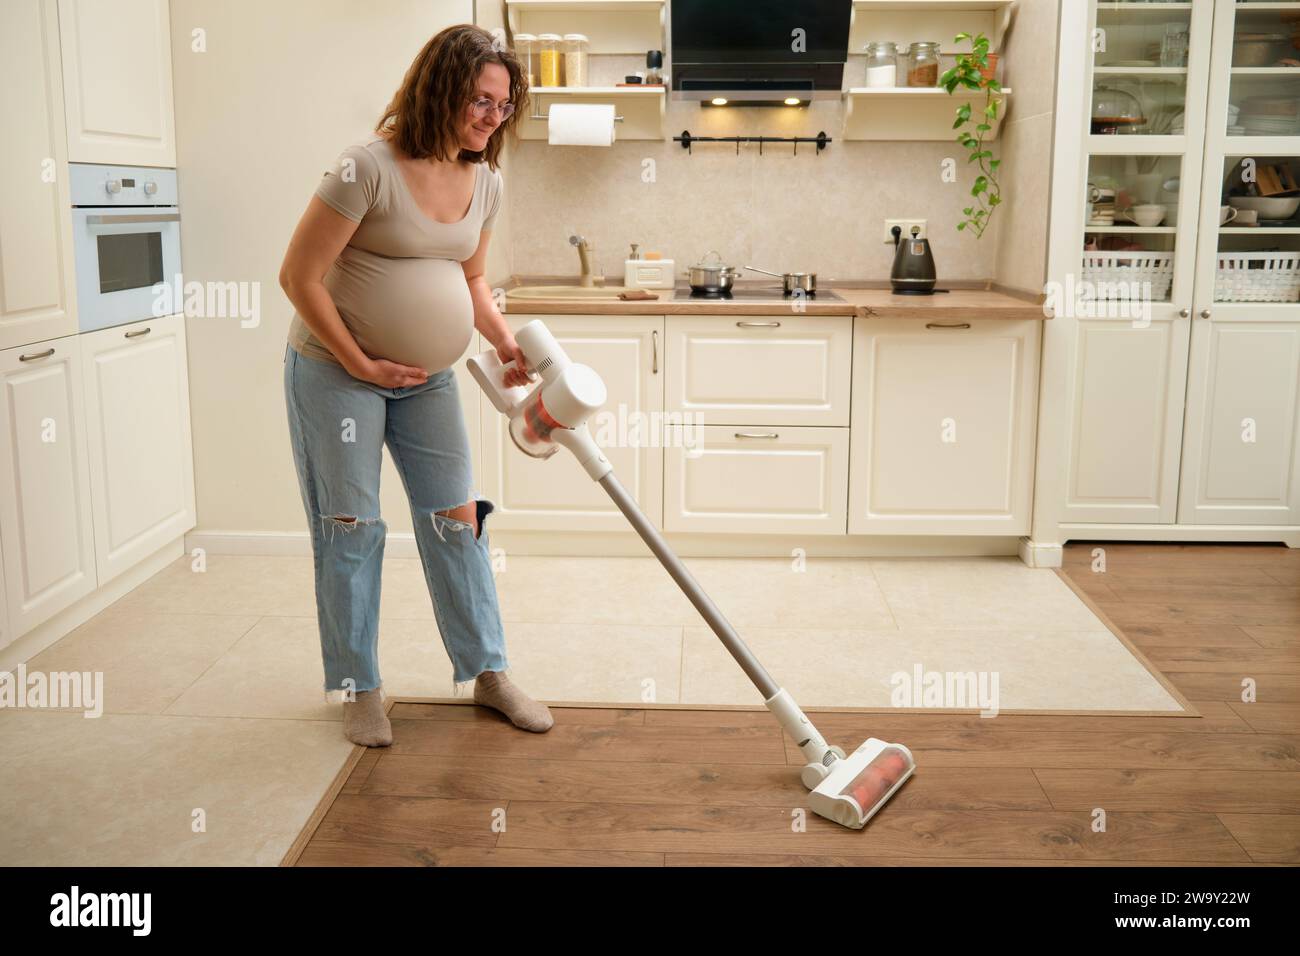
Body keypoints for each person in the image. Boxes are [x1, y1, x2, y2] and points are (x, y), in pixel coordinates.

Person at [279, 24, 550, 746]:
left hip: (427, 382)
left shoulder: (484, 179)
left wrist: (502, 341)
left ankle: (487, 673)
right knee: (351, 527)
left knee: (456, 522)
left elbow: (472, 276)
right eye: (480, 100)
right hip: (337, 375)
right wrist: (362, 362)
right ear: (440, 88)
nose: (492, 117)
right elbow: (298, 277)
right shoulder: (364, 166)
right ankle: (358, 685)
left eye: (503, 105)